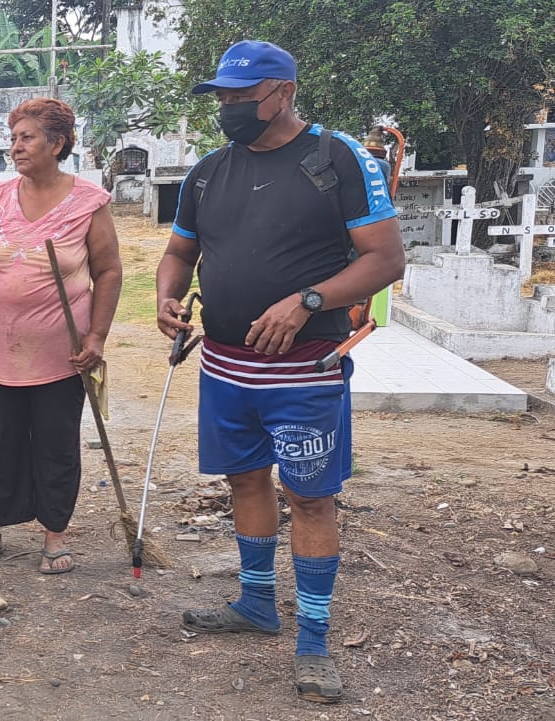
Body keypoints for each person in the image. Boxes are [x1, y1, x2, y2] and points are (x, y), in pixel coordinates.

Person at [157, 41, 404, 703]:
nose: (229, 108)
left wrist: (308, 301)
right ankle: (256, 602)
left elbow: (385, 259)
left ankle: (314, 641)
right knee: (244, 480)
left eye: (243, 96)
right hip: (225, 364)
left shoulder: (336, 159)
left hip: (305, 368)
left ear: (285, 92)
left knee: (310, 497)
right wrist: (167, 298)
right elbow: (178, 253)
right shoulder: (208, 172)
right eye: (223, 98)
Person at [0, 97, 123, 575]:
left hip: (63, 352)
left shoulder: (88, 202)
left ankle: (54, 532)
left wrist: (97, 337)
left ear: (57, 143)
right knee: (1, 440)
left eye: (27, 138)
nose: (16, 147)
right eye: (14, 138)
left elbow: (108, 271)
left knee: (55, 441)